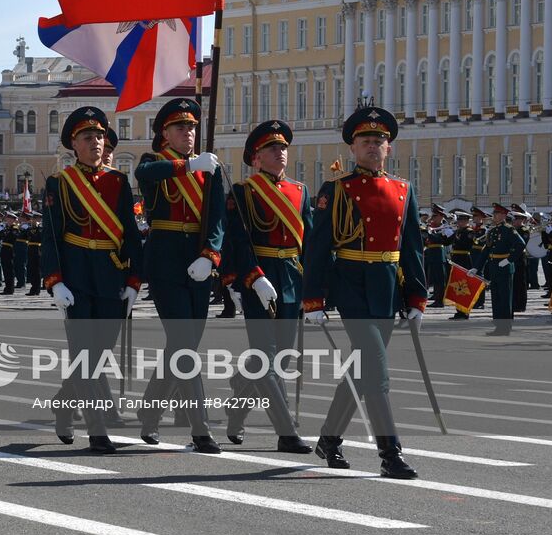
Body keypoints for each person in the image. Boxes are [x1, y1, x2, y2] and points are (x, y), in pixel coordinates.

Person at [302, 103, 425, 480]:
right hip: (352, 283)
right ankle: (390, 453)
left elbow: (412, 247)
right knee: (375, 369)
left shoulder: (402, 189)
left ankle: (329, 438)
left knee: (360, 368)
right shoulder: (337, 189)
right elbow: (319, 247)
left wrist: (417, 296)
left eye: (380, 141)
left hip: (387, 288)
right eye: (366, 141)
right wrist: (313, 298)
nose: (374, 146)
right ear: (352, 148)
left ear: (388, 148)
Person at [39, 106, 141, 454]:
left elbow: (129, 232)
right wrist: (55, 281)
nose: (96, 142)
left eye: (99, 136)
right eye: (88, 137)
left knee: (98, 354)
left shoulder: (118, 181)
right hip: (77, 275)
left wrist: (134, 280)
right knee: (85, 354)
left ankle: (63, 404)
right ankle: (97, 430)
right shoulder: (59, 184)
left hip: (111, 274)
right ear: (74, 144)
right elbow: (50, 237)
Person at [132, 98, 225, 453]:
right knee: (184, 344)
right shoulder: (155, 162)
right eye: (180, 128)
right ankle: (200, 428)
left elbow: (217, 220)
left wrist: (210, 257)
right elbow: (145, 176)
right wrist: (187, 165)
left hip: (198, 264)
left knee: (182, 345)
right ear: (165, 134)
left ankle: (150, 410)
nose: (188, 133)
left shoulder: (209, 169)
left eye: (191, 128)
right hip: (166, 261)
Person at [223, 120, 314, 453]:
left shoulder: (300, 191)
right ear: (256, 158)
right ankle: (286, 431)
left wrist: (315, 286)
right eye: (272, 149)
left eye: (283, 148)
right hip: (259, 277)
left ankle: (237, 408)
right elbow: (238, 240)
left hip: (292, 276)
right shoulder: (242, 192)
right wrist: (253, 276)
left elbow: (310, 241)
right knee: (267, 356)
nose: (280, 153)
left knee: (281, 360)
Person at [481, 205, 525, 336]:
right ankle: (498, 325)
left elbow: (520, 244)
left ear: (504, 215)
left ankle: (505, 327)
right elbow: (486, 250)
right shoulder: (493, 231)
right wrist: (476, 267)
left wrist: (509, 260)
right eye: (494, 213)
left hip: (504, 266)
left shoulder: (509, 230)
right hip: (494, 266)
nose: (494, 215)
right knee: (496, 297)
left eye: (497, 213)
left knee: (505, 297)